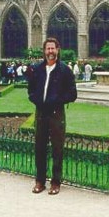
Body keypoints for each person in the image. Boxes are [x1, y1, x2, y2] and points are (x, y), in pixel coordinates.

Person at [27, 37, 77, 195]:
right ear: (44, 51)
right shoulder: (37, 69)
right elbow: (30, 90)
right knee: (39, 148)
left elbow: (72, 94)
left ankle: (56, 182)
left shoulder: (65, 70)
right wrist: (38, 101)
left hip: (56, 113)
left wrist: (56, 101)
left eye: (52, 49)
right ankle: (40, 181)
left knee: (57, 149)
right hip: (41, 113)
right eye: (48, 49)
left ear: (58, 50)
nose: (50, 52)